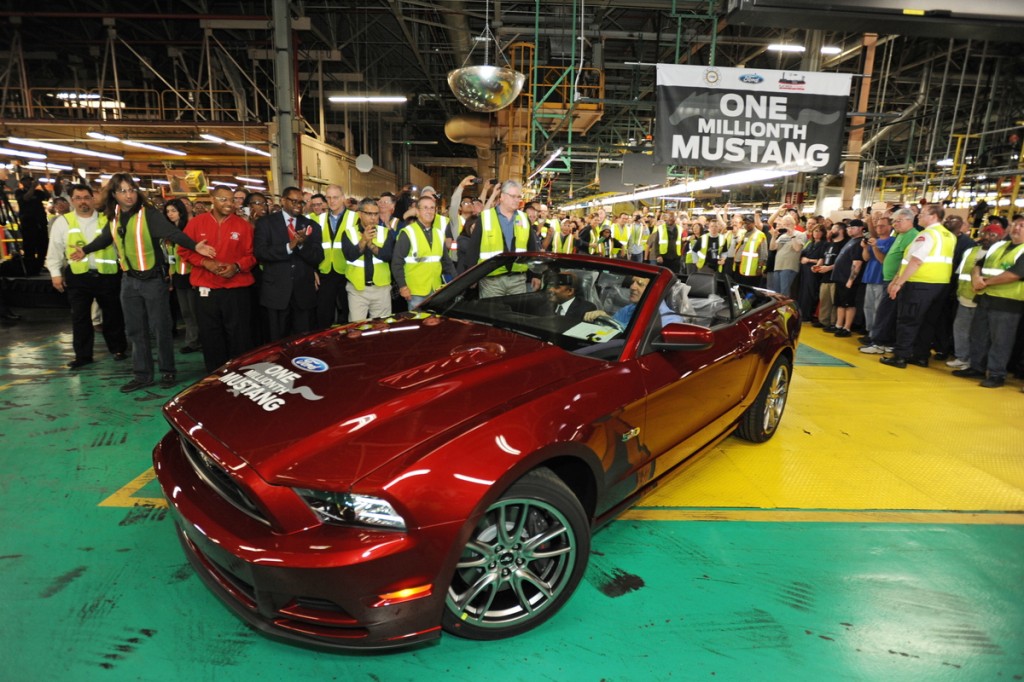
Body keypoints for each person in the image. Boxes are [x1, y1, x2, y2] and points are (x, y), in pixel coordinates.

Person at [71, 173, 215, 392]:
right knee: (136, 331)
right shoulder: (114, 215)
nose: (129, 195)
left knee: (161, 329)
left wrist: (196, 246)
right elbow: (106, 238)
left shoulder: (148, 215)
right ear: (114, 195)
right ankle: (143, 375)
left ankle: (168, 371)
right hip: (129, 282)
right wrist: (85, 250)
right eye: (123, 191)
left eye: (132, 190)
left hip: (153, 280)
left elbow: (173, 233)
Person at [44, 183, 128, 369]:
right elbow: (55, 250)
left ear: (93, 199)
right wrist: (55, 274)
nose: (83, 202)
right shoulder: (63, 222)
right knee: (80, 317)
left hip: (107, 275)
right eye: (78, 198)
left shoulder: (107, 220)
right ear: (72, 201)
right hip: (78, 276)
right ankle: (83, 356)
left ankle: (118, 349)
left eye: (86, 197)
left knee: (113, 315)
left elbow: (120, 246)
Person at [180, 185, 256, 372]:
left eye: (232, 200)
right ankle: (215, 376)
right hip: (207, 290)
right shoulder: (196, 224)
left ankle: (240, 374)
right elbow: (184, 250)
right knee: (210, 336)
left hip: (236, 290)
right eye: (223, 199)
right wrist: (205, 263)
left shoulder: (243, 226)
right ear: (211, 199)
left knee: (239, 336)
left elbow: (252, 255)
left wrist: (237, 267)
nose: (229, 204)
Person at [880, 204, 956, 369]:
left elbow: (916, 260)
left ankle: (900, 356)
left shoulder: (927, 235)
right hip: (940, 285)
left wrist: (898, 282)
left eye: (922, 214)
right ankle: (921, 356)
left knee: (908, 320)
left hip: (919, 284)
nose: (918, 217)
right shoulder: (949, 236)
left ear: (933, 216)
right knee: (928, 322)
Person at [952, 218, 1024, 387]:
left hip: (1008, 302)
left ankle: (997, 374)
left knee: (1001, 340)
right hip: (985, 298)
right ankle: (977, 368)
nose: (1017, 228)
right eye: (1015, 225)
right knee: (979, 336)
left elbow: (1015, 274)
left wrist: (985, 282)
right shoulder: (998, 246)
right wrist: (976, 276)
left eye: (1022, 226)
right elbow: (979, 264)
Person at [254, 186, 324, 340]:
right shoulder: (266, 223)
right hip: (276, 294)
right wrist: (289, 246)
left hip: (303, 294)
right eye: (294, 201)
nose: (298, 205)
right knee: (277, 341)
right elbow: (261, 253)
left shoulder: (311, 226)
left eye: (301, 202)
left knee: (304, 341)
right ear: (283, 201)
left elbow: (318, 257)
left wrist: (301, 245)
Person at [464, 180, 537, 298]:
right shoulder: (486, 217)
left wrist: (535, 275)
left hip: (518, 280)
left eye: (518, 197)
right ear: (502, 196)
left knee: (515, 314)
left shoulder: (524, 218)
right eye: (513, 196)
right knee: (492, 314)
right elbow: (474, 249)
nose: (517, 200)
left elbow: (532, 249)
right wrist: (472, 277)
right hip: (491, 281)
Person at [947, 224, 1003, 370]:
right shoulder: (970, 251)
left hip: (983, 299)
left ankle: (975, 361)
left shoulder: (998, 254)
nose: (987, 238)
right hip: (964, 297)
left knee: (978, 334)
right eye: (985, 233)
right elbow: (961, 273)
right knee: (960, 329)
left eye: (992, 235)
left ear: (1000, 238)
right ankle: (962, 357)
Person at [391, 194, 455, 308]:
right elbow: (397, 262)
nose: (429, 211)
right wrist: (402, 286)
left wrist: (456, 281)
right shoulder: (408, 232)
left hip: (435, 289)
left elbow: (446, 261)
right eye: (425, 207)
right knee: (417, 322)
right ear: (417, 211)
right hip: (415, 291)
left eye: (432, 208)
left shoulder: (439, 233)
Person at [342, 197, 396, 321]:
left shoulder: (385, 233)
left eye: (376, 214)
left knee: (382, 328)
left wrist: (370, 244)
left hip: (381, 289)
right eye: (369, 214)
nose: (373, 217)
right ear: (360, 214)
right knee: (356, 329)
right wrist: (363, 240)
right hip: (357, 290)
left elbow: (387, 256)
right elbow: (350, 256)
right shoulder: (348, 233)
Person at [163, 198, 201, 354]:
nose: (170, 214)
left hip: (191, 274)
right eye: (168, 212)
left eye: (173, 211)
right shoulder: (169, 232)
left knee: (195, 311)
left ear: (181, 212)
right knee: (185, 312)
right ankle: (192, 341)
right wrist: (171, 276)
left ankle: (199, 340)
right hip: (178, 275)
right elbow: (171, 257)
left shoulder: (189, 229)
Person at [315, 184, 351, 328]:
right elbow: (313, 247)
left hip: (347, 272)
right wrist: (313, 270)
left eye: (335, 197)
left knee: (349, 315)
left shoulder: (355, 218)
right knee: (324, 315)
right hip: (325, 272)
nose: (332, 201)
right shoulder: (319, 219)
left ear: (343, 198)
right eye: (328, 197)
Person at [829, 220, 866, 337]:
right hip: (840, 278)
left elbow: (857, 263)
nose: (850, 230)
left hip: (848, 279)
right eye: (849, 228)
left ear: (861, 228)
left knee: (849, 304)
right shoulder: (851, 241)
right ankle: (839, 325)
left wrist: (851, 280)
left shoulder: (860, 242)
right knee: (840, 303)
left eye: (853, 227)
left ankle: (847, 327)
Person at [731, 214, 768, 287]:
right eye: (745, 223)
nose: (746, 225)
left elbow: (763, 253)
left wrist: (760, 267)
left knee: (750, 289)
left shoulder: (760, 235)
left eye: (748, 223)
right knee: (741, 288)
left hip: (752, 269)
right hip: (740, 267)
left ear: (754, 223)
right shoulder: (744, 234)